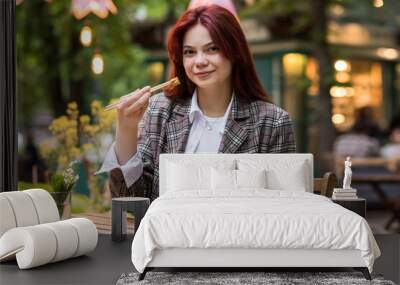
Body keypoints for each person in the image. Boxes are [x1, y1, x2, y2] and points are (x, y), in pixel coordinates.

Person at [97, 5, 296, 200]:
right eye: (189, 52)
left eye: (212, 49)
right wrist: (126, 129)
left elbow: (282, 208)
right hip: (169, 232)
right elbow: (129, 199)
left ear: (235, 52)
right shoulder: (160, 111)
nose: (199, 61)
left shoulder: (272, 122)